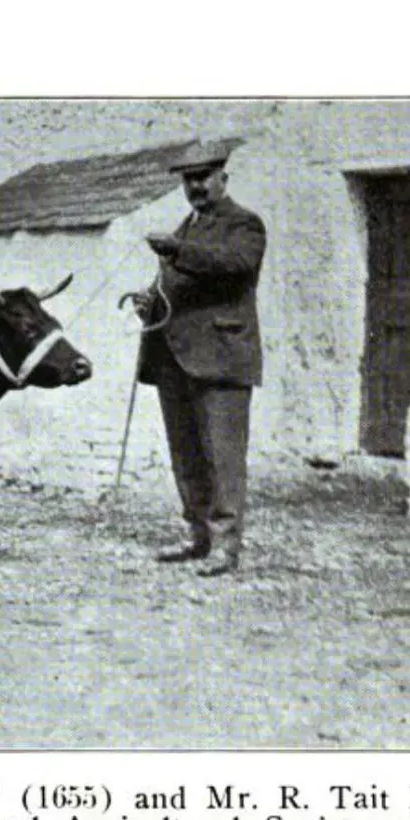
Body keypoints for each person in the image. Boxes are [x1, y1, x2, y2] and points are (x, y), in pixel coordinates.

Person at [130, 140, 267, 577]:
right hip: (174, 359)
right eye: (189, 180)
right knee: (186, 453)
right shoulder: (186, 226)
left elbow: (234, 265)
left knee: (222, 457)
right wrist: (150, 300)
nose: (196, 186)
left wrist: (175, 251)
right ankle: (197, 536)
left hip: (221, 359)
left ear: (223, 178)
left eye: (203, 177)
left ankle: (226, 547)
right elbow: (182, 285)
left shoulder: (244, 224)